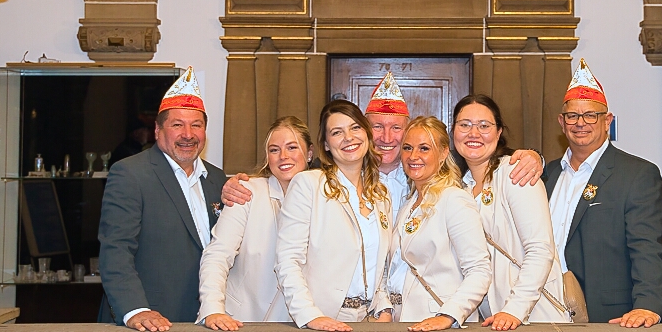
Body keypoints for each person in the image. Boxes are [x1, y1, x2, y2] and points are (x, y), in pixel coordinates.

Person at [220, 71, 543, 216]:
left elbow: (483, 158)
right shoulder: (332, 175)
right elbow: (287, 171)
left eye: (396, 129)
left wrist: (533, 157)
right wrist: (238, 185)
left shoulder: (440, 175)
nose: (387, 138)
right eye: (377, 127)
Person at [98, 67, 227, 331]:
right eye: (177, 125)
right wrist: (135, 310)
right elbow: (116, 250)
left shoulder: (217, 178)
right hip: (147, 323)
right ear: (157, 130)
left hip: (207, 321)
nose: (188, 134)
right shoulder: (130, 174)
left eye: (196, 125)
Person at [542, 59, 662, 327]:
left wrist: (647, 305)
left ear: (607, 121)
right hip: (544, 312)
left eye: (591, 115)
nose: (580, 123)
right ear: (562, 122)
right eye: (572, 116)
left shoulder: (637, 175)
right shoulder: (547, 174)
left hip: (608, 319)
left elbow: (647, 247)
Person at [451, 94, 568, 329]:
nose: (474, 133)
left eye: (484, 126)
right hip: (491, 319)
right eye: (465, 125)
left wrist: (514, 309)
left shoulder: (516, 172)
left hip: (533, 314)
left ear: (499, 132)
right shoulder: (459, 187)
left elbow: (540, 249)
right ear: (453, 131)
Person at [275, 100, 393, 330]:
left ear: (367, 135)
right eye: (337, 132)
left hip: (370, 320)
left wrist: (384, 307)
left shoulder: (380, 194)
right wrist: (310, 316)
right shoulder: (309, 184)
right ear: (326, 145)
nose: (348, 137)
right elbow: (288, 260)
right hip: (323, 317)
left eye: (355, 128)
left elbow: (382, 264)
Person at [196, 116, 313, 330]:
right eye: (274, 150)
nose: (283, 156)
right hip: (244, 320)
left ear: (310, 153)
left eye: (292, 147)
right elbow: (218, 255)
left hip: (304, 323)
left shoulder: (327, 197)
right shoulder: (247, 192)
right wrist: (213, 308)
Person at [394, 116, 491, 330]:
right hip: (404, 321)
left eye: (424, 148)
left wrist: (449, 315)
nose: (413, 156)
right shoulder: (407, 205)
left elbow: (480, 270)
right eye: (407, 148)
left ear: (444, 153)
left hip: (440, 324)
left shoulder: (454, 199)